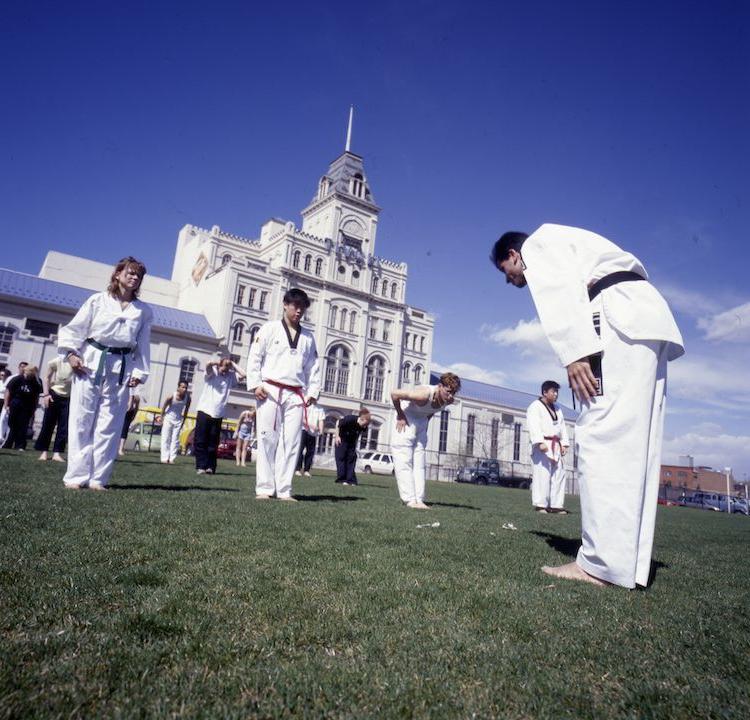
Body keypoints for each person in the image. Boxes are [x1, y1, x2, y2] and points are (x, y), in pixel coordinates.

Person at [491, 224, 684, 588]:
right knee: (632, 440)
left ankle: (599, 566)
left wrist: (576, 352)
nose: (513, 279)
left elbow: (557, 286)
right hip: (644, 314)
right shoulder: (574, 243)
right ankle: (625, 564)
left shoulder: (539, 243)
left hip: (618, 316)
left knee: (602, 433)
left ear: (514, 256)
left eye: (508, 272)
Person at [58, 256, 153, 490]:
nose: (134, 277)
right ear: (117, 274)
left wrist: (140, 372)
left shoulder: (143, 311)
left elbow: (143, 343)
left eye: (138, 275)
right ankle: (76, 477)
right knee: (82, 419)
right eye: (130, 273)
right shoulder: (97, 301)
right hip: (90, 362)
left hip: (120, 368)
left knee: (110, 423)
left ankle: (98, 478)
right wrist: (72, 354)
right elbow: (75, 329)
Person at [247, 288, 321, 501]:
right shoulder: (269, 329)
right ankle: (264, 488)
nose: (299, 311)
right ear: (285, 305)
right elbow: (255, 357)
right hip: (269, 390)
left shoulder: (308, 337)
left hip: (296, 394)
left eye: (302, 308)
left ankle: (285, 490)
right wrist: (254, 384)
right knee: (267, 438)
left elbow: (313, 367)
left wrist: (313, 392)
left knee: (292, 442)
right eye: (295, 306)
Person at [390, 372, 461, 509]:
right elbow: (394, 394)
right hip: (406, 417)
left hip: (421, 422)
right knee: (404, 459)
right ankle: (410, 500)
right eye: (448, 391)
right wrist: (400, 415)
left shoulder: (449, 400)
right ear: (440, 386)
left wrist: (425, 423)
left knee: (420, 462)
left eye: (453, 393)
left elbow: (433, 410)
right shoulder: (423, 394)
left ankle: (419, 499)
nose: (451, 396)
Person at [194, 358, 246, 475]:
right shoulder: (212, 373)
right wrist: (217, 363)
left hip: (218, 413)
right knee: (201, 440)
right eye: (223, 367)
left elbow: (244, 374)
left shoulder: (230, 376)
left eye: (228, 368)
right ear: (218, 366)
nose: (225, 371)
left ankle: (210, 467)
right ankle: (201, 466)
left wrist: (232, 364)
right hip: (204, 410)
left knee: (213, 442)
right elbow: (207, 364)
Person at [526, 380, 570, 514]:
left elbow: (562, 426)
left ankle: (556, 505)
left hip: (556, 444)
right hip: (543, 444)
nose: (556, 394)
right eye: (553, 391)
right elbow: (533, 425)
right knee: (542, 474)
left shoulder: (557, 408)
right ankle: (541, 505)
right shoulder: (535, 406)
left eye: (557, 392)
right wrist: (539, 442)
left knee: (559, 474)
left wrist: (564, 443)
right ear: (545, 392)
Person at [34, 356, 73, 461]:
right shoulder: (56, 361)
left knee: (63, 427)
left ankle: (57, 453)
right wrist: (46, 395)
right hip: (53, 396)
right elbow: (47, 377)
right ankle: (44, 452)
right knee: (48, 425)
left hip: (69, 398)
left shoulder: (79, 363)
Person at [3, 365, 42, 450]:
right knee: (12, 425)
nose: (31, 375)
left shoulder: (36, 382)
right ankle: (7, 444)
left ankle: (20, 445)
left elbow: (36, 396)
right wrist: (6, 405)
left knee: (23, 426)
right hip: (15, 404)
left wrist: (34, 408)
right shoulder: (17, 379)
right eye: (31, 373)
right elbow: (8, 391)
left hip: (27, 406)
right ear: (26, 371)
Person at [334, 408, 371, 486]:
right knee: (341, 459)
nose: (365, 426)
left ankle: (351, 480)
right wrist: (337, 437)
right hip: (342, 440)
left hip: (351, 443)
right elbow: (338, 423)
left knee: (352, 459)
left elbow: (357, 434)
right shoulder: (350, 419)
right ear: (361, 419)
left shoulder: (364, 427)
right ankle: (341, 479)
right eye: (365, 424)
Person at [160, 381, 191, 464]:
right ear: (178, 388)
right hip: (168, 418)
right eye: (182, 387)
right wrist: (161, 418)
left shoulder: (188, 398)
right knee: (166, 438)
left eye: (186, 388)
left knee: (175, 440)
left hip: (178, 420)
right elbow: (164, 407)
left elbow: (186, 411)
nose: (184, 389)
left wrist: (183, 421)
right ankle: (164, 458)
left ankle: (171, 459)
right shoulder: (171, 396)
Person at [295, 403, 325, 477]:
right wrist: (311, 425)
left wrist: (321, 431)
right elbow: (302, 419)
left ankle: (306, 470)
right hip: (304, 430)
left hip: (313, 433)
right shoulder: (305, 406)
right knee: (300, 450)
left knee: (310, 452)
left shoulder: (320, 408)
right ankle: (298, 469)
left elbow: (321, 420)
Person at [0, 368, 12, 445]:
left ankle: (1, 437)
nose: (1, 376)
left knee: (3, 419)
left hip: (4, 402)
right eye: (0, 375)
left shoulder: (9, 383)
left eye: (3, 375)